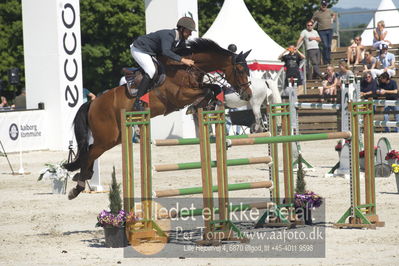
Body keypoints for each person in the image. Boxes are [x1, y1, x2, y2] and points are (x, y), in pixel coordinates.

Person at [130, 16, 196, 110]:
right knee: (151, 70)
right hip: (139, 49)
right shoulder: (169, 35)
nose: (191, 33)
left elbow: (182, 51)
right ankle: (138, 101)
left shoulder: (181, 40)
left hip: (151, 52)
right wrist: (183, 60)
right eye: (189, 30)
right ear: (182, 28)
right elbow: (166, 52)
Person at [312, 0, 336, 64]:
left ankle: (328, 59)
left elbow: (334, 14)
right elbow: (313, 19)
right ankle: (326, 60)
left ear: (326, 5)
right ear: (321, 5)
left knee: (328, 46)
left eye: (325, 5)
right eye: (323, 5)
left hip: (330, 30)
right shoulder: (317, 12)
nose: (324, 6)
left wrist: (332, 19)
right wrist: (310, 25)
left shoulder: (330, 10)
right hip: (321, 31)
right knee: (325, 45)